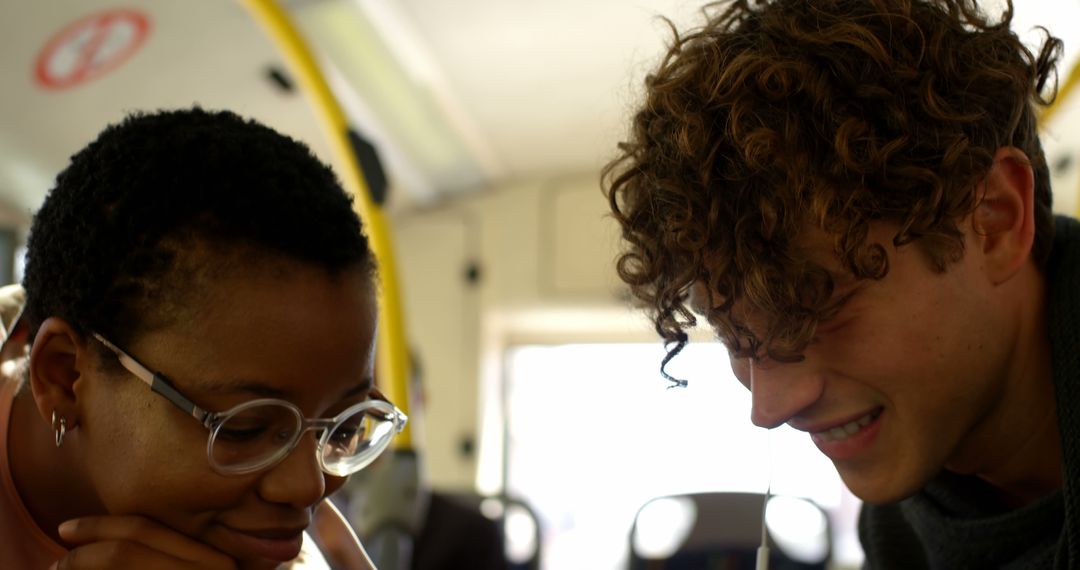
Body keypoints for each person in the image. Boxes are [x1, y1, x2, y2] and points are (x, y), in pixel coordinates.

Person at [604, 0, 1076, 567]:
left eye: (817, 307)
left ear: (995, 220)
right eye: (735, 338)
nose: (770, 405)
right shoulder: (903, 528)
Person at [0, 108, 408, 569]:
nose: (308, 488)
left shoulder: (312, 556)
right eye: (244, 428)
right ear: (65, 376)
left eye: (345, 427)